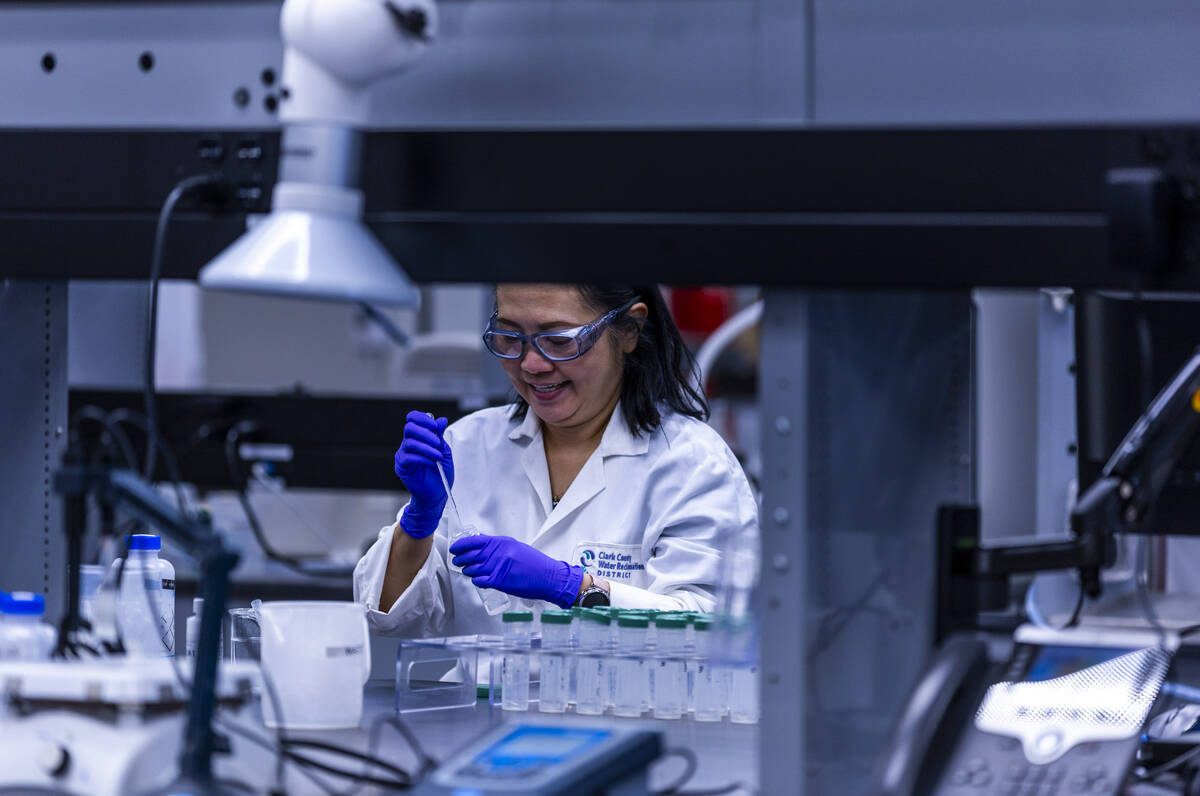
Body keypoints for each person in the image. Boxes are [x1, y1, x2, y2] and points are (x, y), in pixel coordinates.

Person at [354, 284, 758, 636]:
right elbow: (390, 618)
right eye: (510, 337)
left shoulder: (692, 464)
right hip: (484, 720)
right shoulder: (469, 444)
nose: (531, 364)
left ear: (630, 329)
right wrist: (419, 521)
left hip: (634, 720)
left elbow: (712, 632)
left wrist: (573, 588)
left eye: (560, 340)